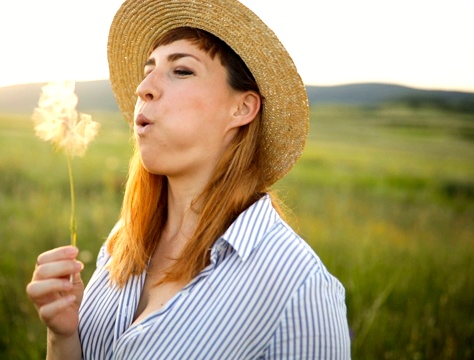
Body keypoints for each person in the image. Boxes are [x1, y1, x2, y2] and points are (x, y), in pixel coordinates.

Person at [26, 0, 351, 358]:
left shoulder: (299, 289)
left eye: (181, 70)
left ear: (241, 108)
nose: (143, 88)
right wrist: (63, 336)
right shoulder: (123, 243)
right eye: (148, 69)